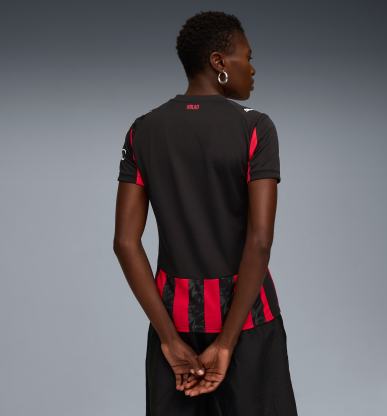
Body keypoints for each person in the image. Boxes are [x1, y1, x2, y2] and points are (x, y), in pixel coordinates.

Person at [113, 10, 298, 416]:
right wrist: (226, 343)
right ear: (218, 62)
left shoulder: (142, 130)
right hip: (249, 323)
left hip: (174, 325)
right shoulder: (256, 129)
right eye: (247, 57)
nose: (252, 69)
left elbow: (125, 242)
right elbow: (260, 240)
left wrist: (169, 339)